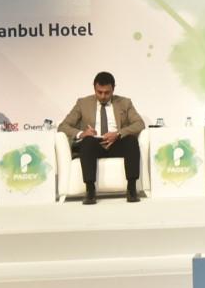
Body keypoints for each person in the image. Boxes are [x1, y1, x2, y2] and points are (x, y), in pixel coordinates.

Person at [57, 71, 144, 204]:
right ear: (94, 88)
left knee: (131, 141)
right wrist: (82, 133)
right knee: (88, 142)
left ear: (113, 89)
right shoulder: (83, 103)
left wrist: (118, 133)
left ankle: (131, 189)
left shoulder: (125, 102)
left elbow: (139, 124)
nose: (103, 96)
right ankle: (90, 190)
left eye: (107, 93)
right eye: (99, 92)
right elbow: (63, 126)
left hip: (116, 142)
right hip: (94, 144)